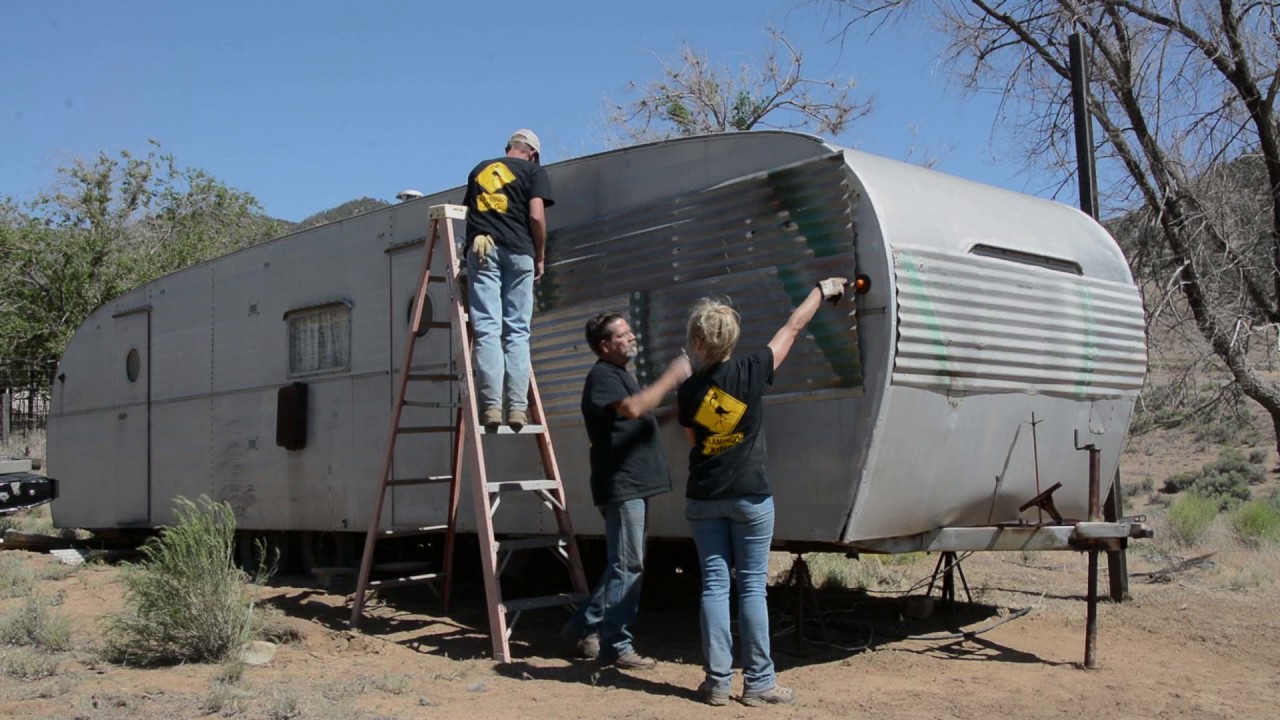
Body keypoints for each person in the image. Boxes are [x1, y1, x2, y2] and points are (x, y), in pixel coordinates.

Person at [677, 277, 848, 707]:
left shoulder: (688, 391)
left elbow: (694, 444)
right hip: (750, 496)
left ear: (698, 343)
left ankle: (716, 683)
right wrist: (822, 290)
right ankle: (758, 684)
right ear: (731, 339)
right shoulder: (753, 368)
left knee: (714, 586)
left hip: (704, 495)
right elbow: (792, 327)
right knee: (752, 587)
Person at [562, 312, 691, 670]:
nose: (632, 336)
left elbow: (639, 418)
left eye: (631, 330)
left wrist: (673, 412)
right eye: (624, 333)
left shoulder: (619, 376)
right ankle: (615, 644)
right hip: (623, 485)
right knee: (627, 566)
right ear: (605, 346)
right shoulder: (602, 377)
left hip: (632, 483)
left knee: (624, 565)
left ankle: (580, 628)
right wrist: (672, 376)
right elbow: (635, 409)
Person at [462, 129, 554, 429]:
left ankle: (490, 407)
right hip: (519, 252)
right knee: (517, 331)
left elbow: (468, 212)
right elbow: (537, 216)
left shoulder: (479, 169)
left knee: (487, 328)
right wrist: (540, 256)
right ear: (534, 154)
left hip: (483, 248)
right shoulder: (534, 171)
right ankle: (516, 408)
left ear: (508, 148)